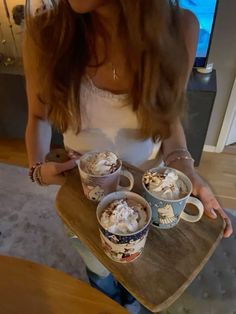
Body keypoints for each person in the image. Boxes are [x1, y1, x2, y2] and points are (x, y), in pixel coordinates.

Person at [23, 0, 233, 311]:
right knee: (98, 271)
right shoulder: (45, 33)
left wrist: (187, 170)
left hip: (146, 196)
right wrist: (38, 169)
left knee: (138, 272)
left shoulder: (181, 29)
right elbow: (38, 117)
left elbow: (168, 123)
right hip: (82, 197)